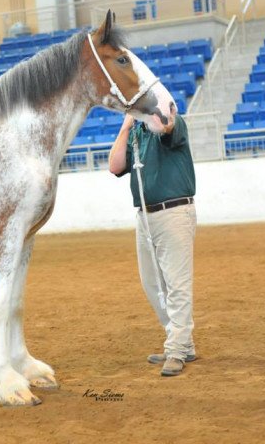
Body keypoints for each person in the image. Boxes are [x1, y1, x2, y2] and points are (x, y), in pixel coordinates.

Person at [108, 113, 196, 377]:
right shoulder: (136, 135)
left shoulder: (172, 123)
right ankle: (181, 342)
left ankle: (177, 349)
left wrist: (155, 111)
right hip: (145, 216)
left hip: (174, 212)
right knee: (153, 284)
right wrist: (126, 126)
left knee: (176, 285)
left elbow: (167, 126)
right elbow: (115, 166)